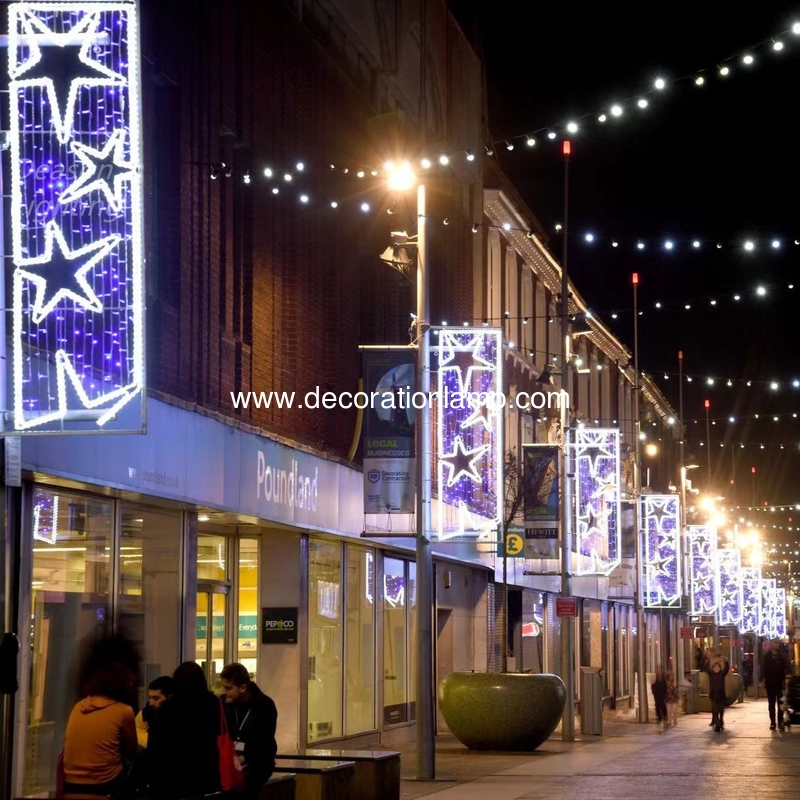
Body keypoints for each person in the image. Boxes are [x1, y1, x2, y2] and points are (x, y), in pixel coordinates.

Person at [146, 662, 221, 799]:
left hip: (172, 779)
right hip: (206, 777)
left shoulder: (168, 709)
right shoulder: (214, 704)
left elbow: (154, 748)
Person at [62, 661, 138, 797]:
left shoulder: (79, 706)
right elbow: (132, 749)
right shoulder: (124, 711)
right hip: (104, 783)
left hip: (71, 781)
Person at [220, 662, 278, 799]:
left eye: (228, 688)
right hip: (231, 763)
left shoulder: (264, 705)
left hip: (257, 764)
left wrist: (245, 757)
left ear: (243, 688)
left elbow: (265, 742)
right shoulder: (224, 704)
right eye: (223, 687)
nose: (223, 692)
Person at [135, 675, 176, 749]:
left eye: (156, 698)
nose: (151, 703)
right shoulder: (146, 712)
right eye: (150, 698)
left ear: (170, 698)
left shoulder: (178, 716)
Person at [761, 640, 791, 730]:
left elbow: (788, 666)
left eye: (777, 643)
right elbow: (763, 669)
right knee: (771, 704)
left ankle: (780, 722)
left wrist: (788, 674)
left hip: (780, 683)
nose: (775, 645)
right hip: (770, 683)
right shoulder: (766, 656)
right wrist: (762, 680)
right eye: (773, 643)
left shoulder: (782, 656)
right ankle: (773, 722)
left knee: (781, 704)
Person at [706, 651, 729, 732]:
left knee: (721, 709)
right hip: (713, 695)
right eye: (715, 667)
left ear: (720, 668)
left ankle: (720, 721)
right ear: (713, 668)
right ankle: (718, 724)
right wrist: (708, 660)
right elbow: (706, 668)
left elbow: (726, 669)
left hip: (721, 694)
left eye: (718, 667)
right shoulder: (711, 674)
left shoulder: (722, 674)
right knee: (715, 709)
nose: (716, 669)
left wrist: (726, 661)